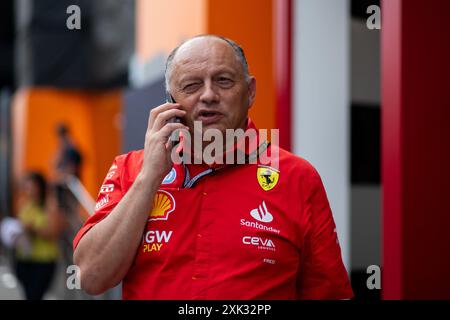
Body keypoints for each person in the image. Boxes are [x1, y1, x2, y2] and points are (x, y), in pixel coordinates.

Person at [73, 35, 354, 299]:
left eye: (223, 80)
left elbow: (328, 292)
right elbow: (91, 277)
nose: (208, 95)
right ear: (171, 100)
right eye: (192, 85)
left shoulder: (297, 178)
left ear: (250, 92)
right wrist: (149, 177)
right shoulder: (131, 168)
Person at [14, 172, 62, 300]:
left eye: (31, 187)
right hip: (24, 257)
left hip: (43, 260)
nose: (28, 190)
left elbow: (54, 232)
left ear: (40, 187)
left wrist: (33, 229)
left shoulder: (50, 206)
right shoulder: (24, 203)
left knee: (35, 295)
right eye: (26, 187)